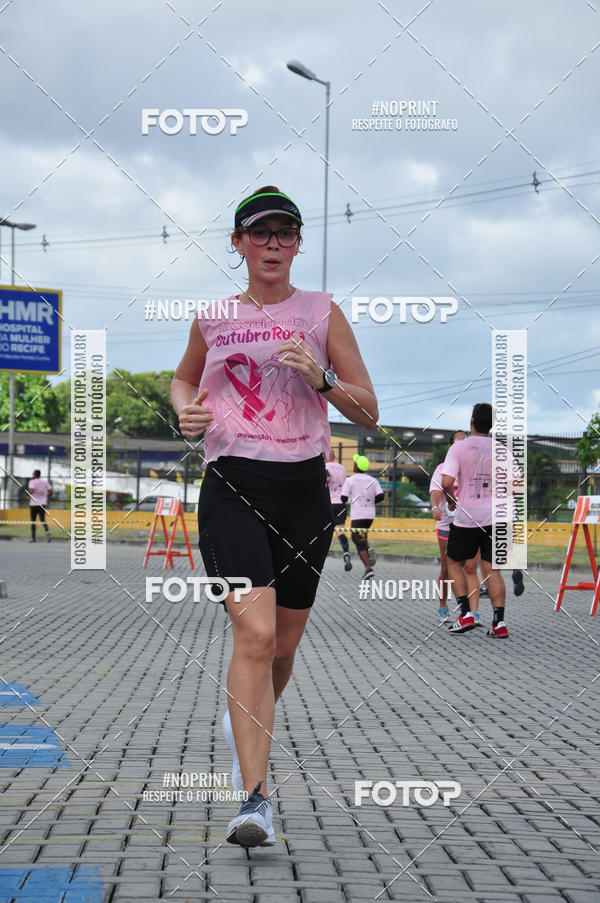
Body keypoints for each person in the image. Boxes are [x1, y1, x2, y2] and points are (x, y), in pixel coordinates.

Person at [170, 186, 378, 847]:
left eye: (286, 233)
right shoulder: (213, 319)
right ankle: (255, 796)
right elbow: (183, 380)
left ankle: (248, 720)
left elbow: (368, 408)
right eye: (260, 233)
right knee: (254, 636)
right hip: (231, 483)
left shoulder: (322, 313)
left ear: (297, 244)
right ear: (237, 243)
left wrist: (320, 378)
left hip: (303, 493)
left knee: (281, 650)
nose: (273, 245)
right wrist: (185, 409)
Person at [442, 403, 513, 638]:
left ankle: (466, 614)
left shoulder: (459, 448)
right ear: (492, 424)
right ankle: (499, 624)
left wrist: (452, 499)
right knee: (492, 569)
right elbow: (516, 486)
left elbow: (446, 482)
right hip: (498, 517)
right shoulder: (502, 449)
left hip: (468, 516)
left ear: (471, 422)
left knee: (454, 563)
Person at [430, 430, 466, 622]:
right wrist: (436, 507)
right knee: (447, 568)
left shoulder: (471, 468)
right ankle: (443, 607)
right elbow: (436, 491)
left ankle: (466, 610)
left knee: (466, 567)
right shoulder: (442, 468)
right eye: (456, 443)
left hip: (468, 525)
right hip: (446, 524)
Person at [340, 455, 384, 581]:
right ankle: (368, 549)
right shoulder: (373, 480)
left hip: (358, 515)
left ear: (356, 466)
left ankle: (368, 569)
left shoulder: (351, 480)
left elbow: (343, 498)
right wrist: (369, 501)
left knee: (356, 539)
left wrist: (351, 498)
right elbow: (381, 496)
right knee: (362, 535)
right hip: (370, 515)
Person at [325, 450, 351, 571]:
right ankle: (346, 554)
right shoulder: (342, 468)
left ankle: (321, 563)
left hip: (328, 503)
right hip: (340, 503)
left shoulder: (324, 467)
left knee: (325, 533)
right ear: (334, 457)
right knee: (340, 531)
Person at [28, 469, 52, 542]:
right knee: (42, 519)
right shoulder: (44, 482)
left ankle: (33, 538)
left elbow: (32, 490)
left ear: (35, 475)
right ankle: (47, 531)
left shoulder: (32, 482)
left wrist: (28, 493)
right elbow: (51, 491)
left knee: (33, 521)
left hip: (34, 504)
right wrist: (46, 495)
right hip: (42, 503)